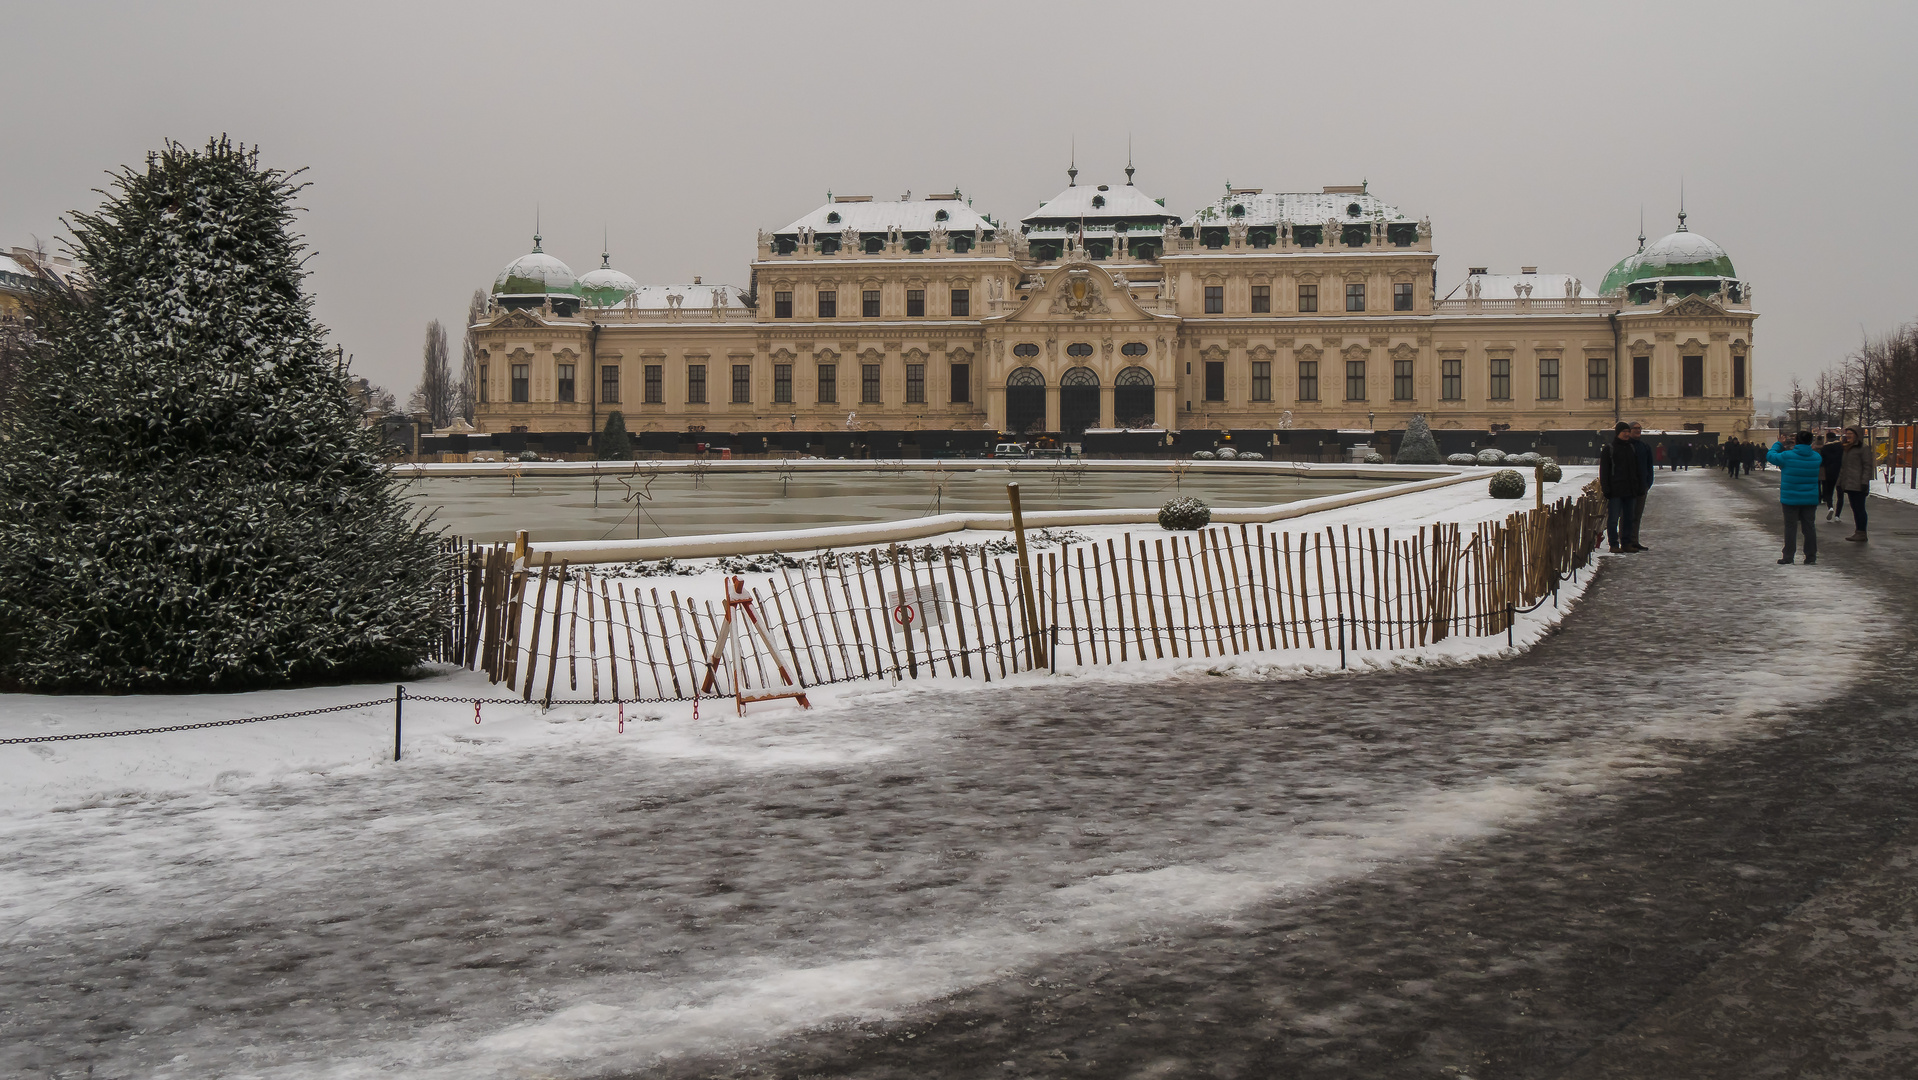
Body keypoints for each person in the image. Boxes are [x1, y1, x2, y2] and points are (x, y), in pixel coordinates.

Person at [1768, 431, 1822, 564]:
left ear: (1796, 441)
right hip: (1810, 498)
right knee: (1809, 528)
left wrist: (1778, 444)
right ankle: (1810, 556)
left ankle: (1788, 556)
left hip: (1790, 497)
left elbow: (1770, 456)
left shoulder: (1787, 456)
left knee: (1790, 527)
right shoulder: (1816, 457)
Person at [1599, 420, 1645, 553]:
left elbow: (1636, 470)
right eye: (1624, 431)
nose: (1626, 434)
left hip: (1630, 490)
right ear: (1618, 433)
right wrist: (1606, 489)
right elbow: (1604, 471)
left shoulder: (1631, 448)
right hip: (1615, 491)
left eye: (1627, 431)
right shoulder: (1609, 449)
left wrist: (1638, 486)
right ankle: (1613, 544)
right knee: (1613, 519)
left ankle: (1626, 543)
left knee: (1629, 519)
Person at [1836, 425, 1872, 542]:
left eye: (1850, 434)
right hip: (1849, 483)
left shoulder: (1863, 448)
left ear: (1857, 436)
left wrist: (1864, 482)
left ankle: (1861, 532)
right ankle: (1859, 531)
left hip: (1858, 484)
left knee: (1859, 508)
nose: (1848, 436)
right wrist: (1840, 482)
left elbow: (1867, 466)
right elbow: (1843, 467)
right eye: (1847, 434)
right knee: (1855, 508)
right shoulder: (1847, 448)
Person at [1628, 421, 1654, 551]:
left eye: (1639, 428)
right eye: (1635, 428)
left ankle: (1634, 540)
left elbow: (1649, 466)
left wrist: (1648, 483)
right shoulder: (1625, 446)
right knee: (1627, 515)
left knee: (1637, 515)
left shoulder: (1644, 446)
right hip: (1628, 487)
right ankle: (1626, 541)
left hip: (1641, 487)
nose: (1638, 430)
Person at [1817, 430, 1845, 521]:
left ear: (1828, 438)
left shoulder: (1824, 448)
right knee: (1840, 494)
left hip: (1829, 472)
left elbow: (1822, 461)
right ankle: (1837, 515)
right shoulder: (1841, 447)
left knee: (1829, 492)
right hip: (1840, 472)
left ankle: (1830, 507)